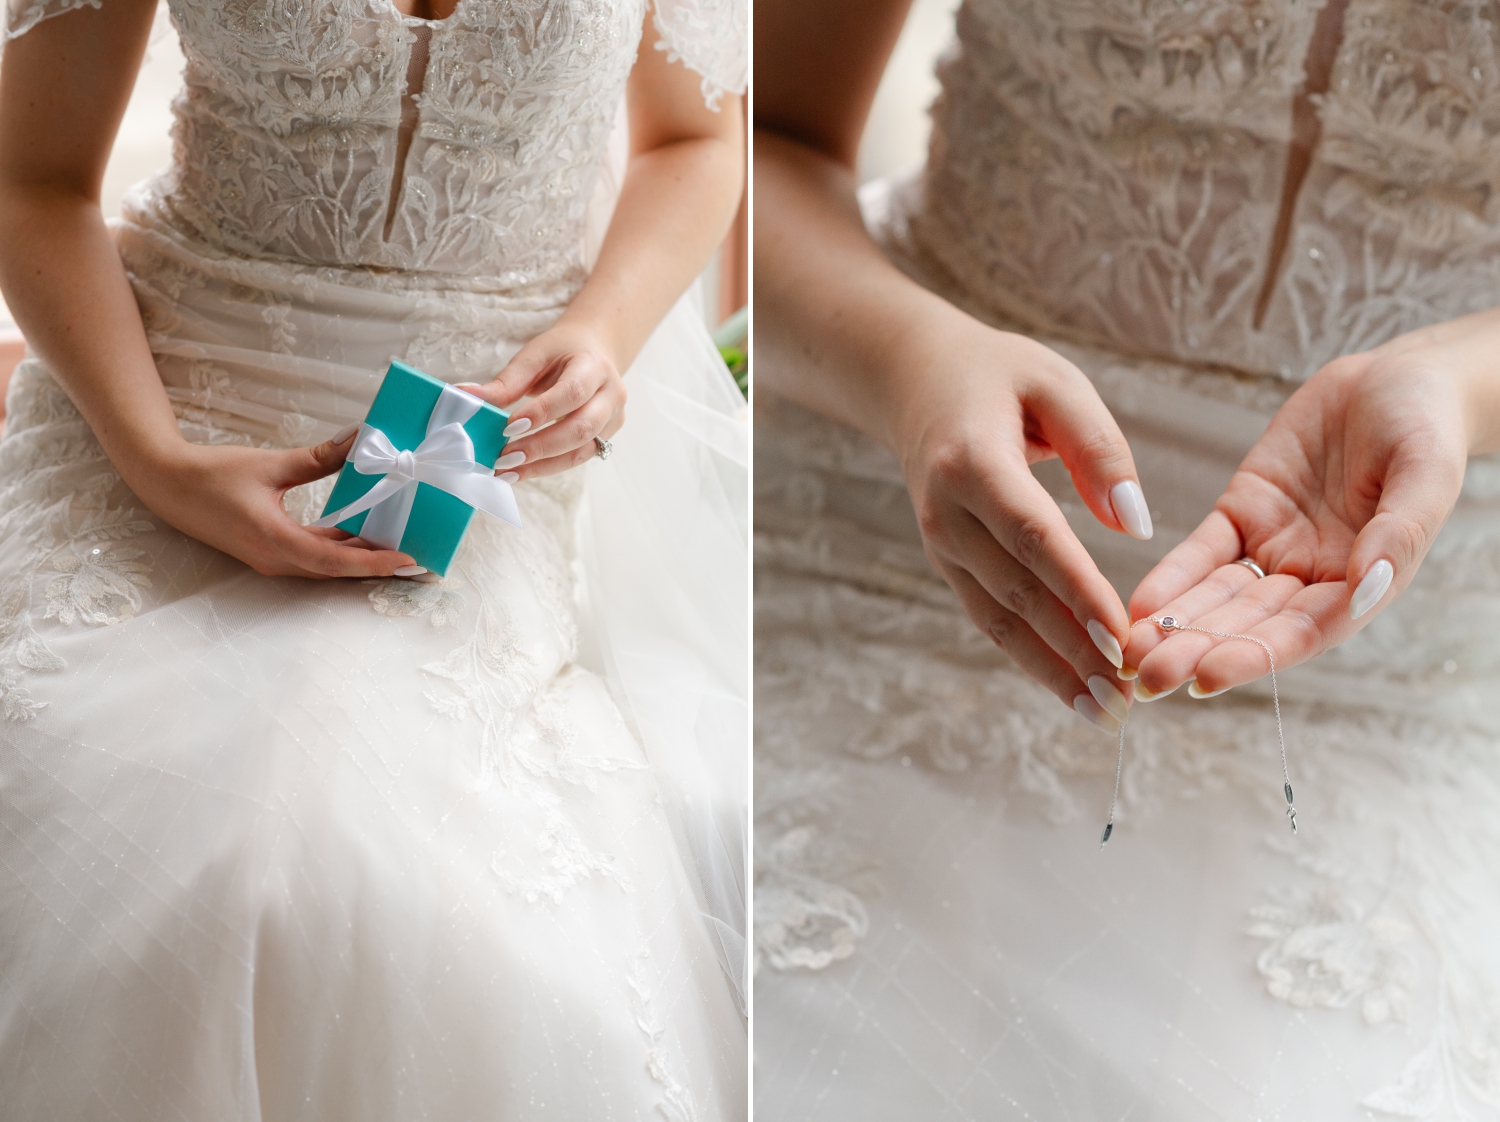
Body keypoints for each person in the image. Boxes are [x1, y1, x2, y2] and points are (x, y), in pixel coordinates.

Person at [0, 0, 747, 1117]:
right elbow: (31, 177)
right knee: (130, 803)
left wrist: (601, 333)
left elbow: (694, 140)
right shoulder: (155, 441)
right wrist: (158, 461)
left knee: (371, 851)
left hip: (478, 445)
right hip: (172, 392)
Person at [754, 0, 1500, 1116]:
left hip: (1388, 663)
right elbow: (758, 136)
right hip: (889, 542)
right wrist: (916, 368)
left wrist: (1462, 381)